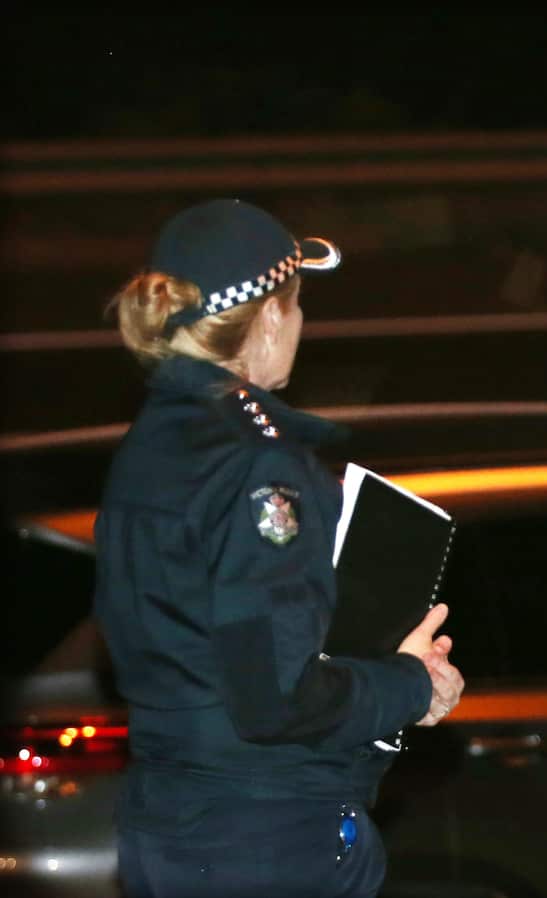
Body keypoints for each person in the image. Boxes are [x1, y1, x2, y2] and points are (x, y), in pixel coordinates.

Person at [93, 198, 465, 898]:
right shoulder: (259, 463)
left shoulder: (148, 446)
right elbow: (275, 696)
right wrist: (408, 683)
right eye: (297, 304)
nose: (300, 323)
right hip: (264, 840)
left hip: (168, 822)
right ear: (268, 316)